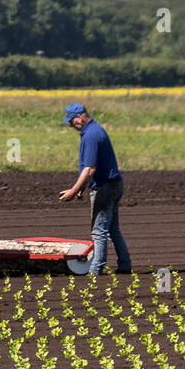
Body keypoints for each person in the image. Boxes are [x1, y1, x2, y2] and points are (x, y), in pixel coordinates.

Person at [58, 102, 131, 275]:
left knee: (98, 231)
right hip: (114, 184)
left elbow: (90, 169)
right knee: (113, 229)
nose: (70, 125)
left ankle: (96, 269)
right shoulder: (95, 130)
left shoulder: (91, 135)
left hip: (105, 187)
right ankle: (125, 264)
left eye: (72, 121)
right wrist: (83, 188)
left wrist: (73, 191)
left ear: (80, 117)